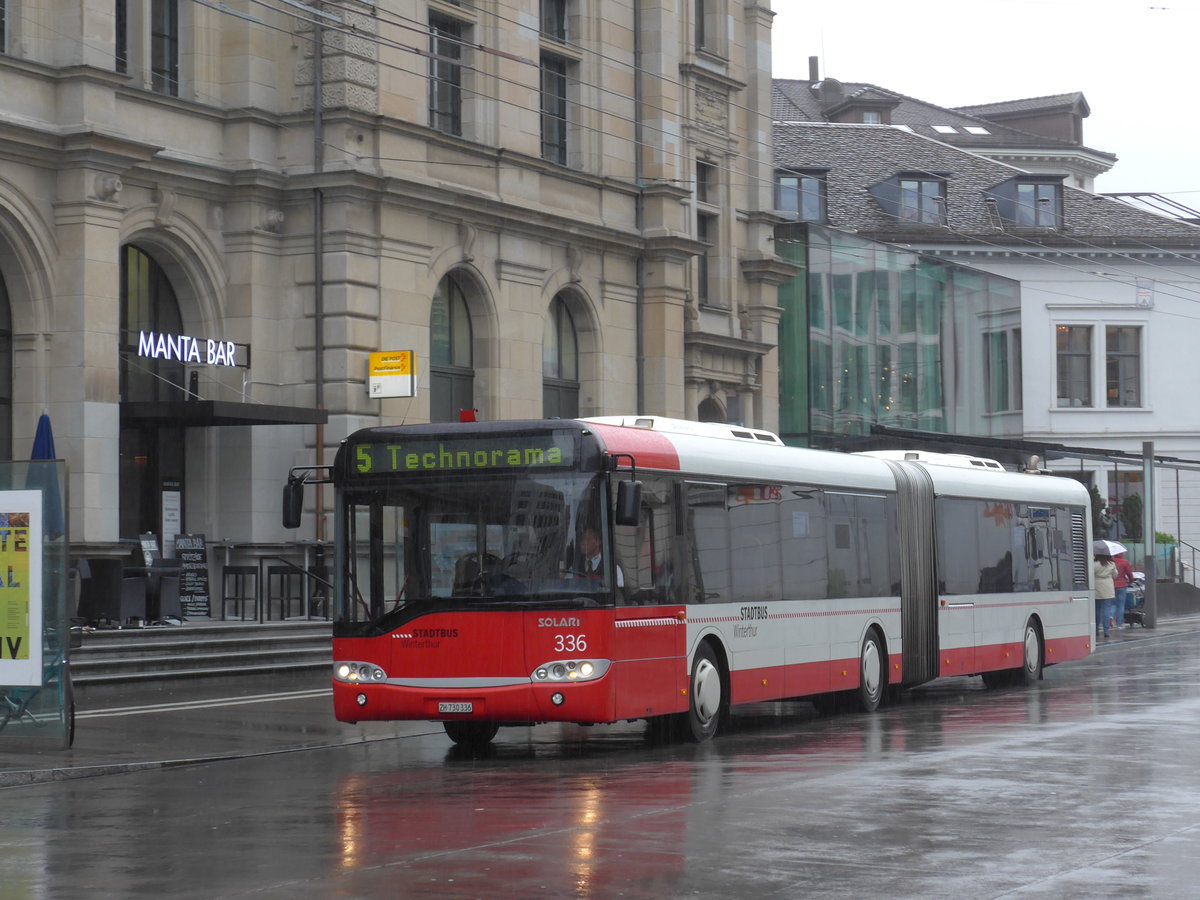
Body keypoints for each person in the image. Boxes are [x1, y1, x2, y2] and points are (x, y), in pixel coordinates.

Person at [1094, 554, 1117, 638]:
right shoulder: (1111, 564)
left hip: (1096, 588)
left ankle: (1096, 630)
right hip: (1108, 588)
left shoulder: (1094, 564)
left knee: (1097, 610)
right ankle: (1106, 631)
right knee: (1106, 610)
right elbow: (1115, 575)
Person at [1112, 551, 1135, 630]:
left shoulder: (1111, 561)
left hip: (1111, 585)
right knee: (1120, 605)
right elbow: (1129, 574)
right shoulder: (1125, 562)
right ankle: (1119, 624)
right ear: (1121, 554)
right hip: (1122, 585)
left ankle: (1112, 621)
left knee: (1112, 604)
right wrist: (1131, 581)